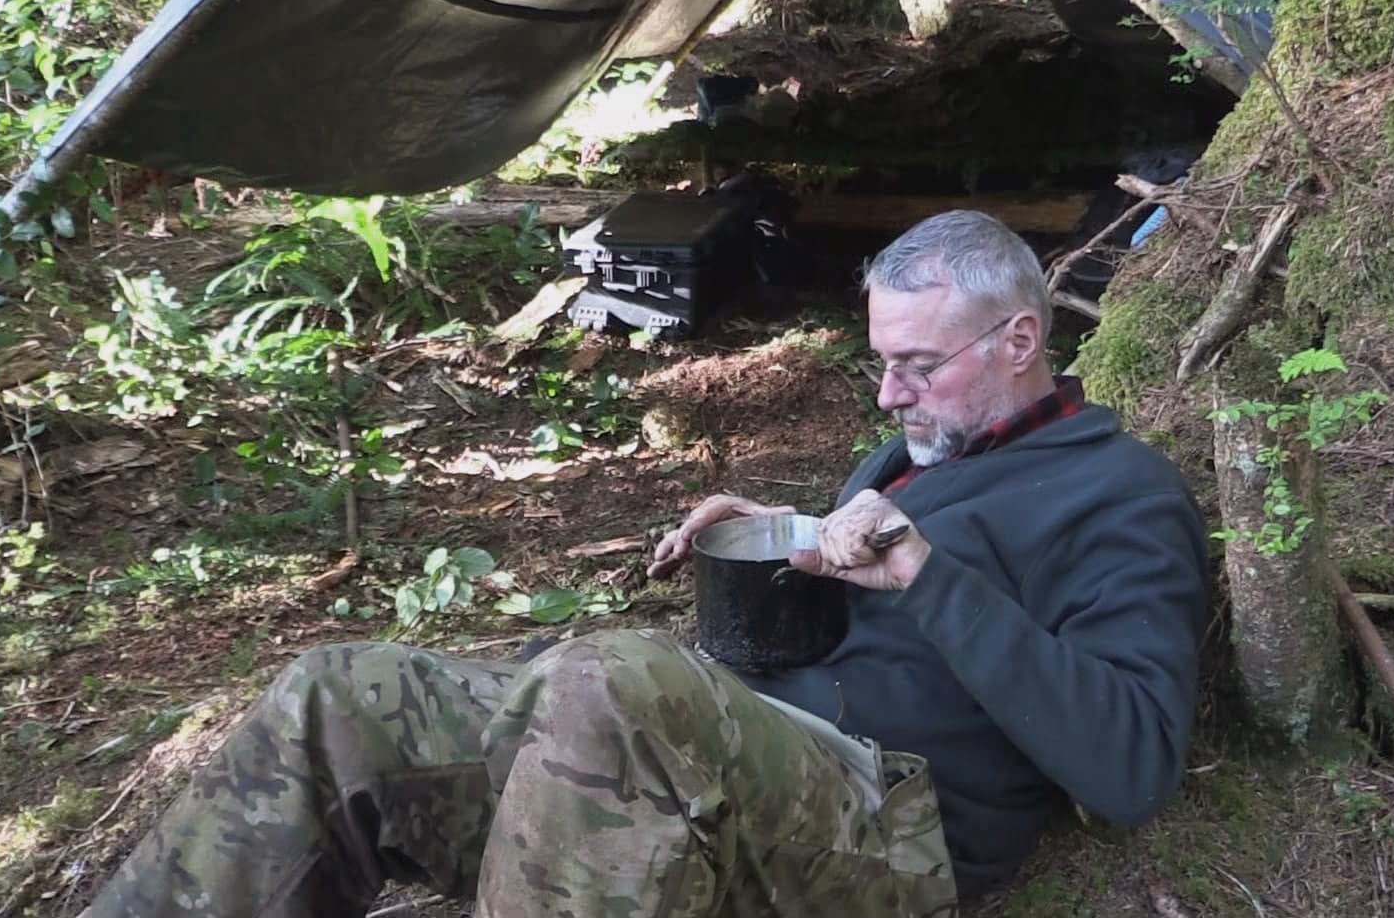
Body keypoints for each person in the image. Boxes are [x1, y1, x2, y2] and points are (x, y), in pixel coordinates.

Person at [82, 210, 1210, 918]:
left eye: (917, 365)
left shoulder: (1120, 496)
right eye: (881, 362)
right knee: (343, 694)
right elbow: (873, 589)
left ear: (1021, 341)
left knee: (608, 678)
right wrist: (784, 532)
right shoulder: (931, 450)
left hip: (892, 829)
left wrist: (928, 575)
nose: (887, 395)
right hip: (715, 760)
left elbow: (1131, 768)